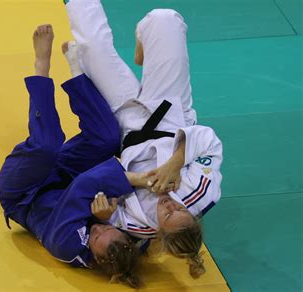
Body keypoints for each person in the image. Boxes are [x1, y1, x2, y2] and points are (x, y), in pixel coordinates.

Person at [63, 0, 224, 278]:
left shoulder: (137, 224)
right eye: (180, 209)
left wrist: (103, 215)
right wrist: (176, 162)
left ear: (158, 232)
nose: (170, 205)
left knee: (91, 46)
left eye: (167, 215)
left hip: (127, 125)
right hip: (171, 111)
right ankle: (145, 47)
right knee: (165, 19)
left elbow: (104, 201)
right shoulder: (201, 193)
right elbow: (208, 140)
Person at [0, 24, 157, 288]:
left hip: (24, 193)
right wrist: (109, 218)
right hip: (64, 176)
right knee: (107, 138)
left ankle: (41, 67)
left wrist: (137, 179)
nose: (99, 229)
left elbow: (83, 187)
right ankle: (76, 71)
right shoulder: (126, 246)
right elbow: (147, 234)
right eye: (108, 230)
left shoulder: (67, 246)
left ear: (95, 259)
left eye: (96, 237)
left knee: (46, 146)